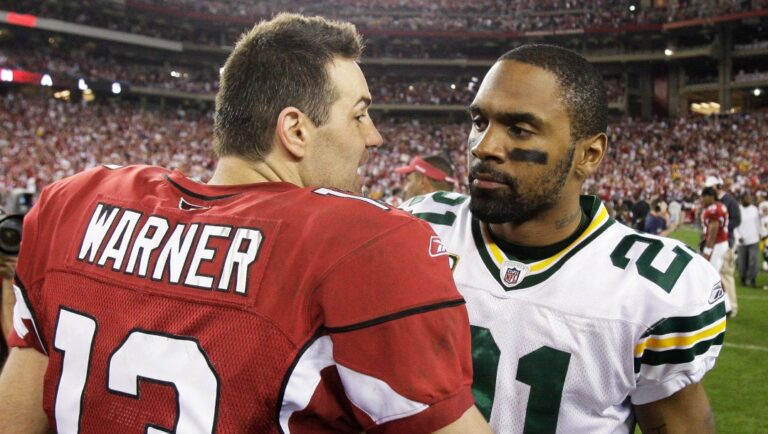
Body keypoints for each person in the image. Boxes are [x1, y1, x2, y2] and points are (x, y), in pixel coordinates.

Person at [0, 14, 490, 434]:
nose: (375, 136)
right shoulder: (367, 245)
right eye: (359, 115)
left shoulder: (76, 203)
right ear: (296, 130)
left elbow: (18, 414)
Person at [402, 44, 725, 433]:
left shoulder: (647, 288)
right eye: (478, 120)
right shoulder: (419, 228)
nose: (483, 146)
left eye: (519, 129)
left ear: (588, 154)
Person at [706, 176, 740, 316]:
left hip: (726, 242)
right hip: (718, 241)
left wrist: (722, 228)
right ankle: (721, 305)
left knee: (725, 275)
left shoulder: (729, 201)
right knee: (715, 275)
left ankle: (731, 307)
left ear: (717, 186)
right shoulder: (717, 201)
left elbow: (737, 220)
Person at [735, 192, 762, 287]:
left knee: (754, 260)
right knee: (742, 262)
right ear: (742, 199)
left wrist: (761, 234)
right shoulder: (737, 210)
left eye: (750, 197)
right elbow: (735, 226)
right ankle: (743, 278)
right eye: (747, 198)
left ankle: (752, 279)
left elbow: (758, 223)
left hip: (754, 239)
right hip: (741, 241)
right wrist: (738, 237)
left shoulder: (754, 209)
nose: (749, 199)